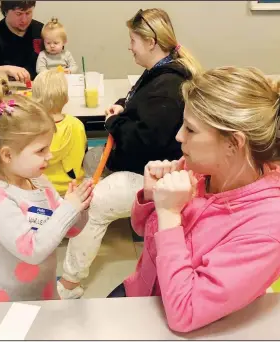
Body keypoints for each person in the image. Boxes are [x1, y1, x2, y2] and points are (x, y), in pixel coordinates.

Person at [107, 66, 280, 333]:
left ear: (233, 144)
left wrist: (169, 215)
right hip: (141, 296)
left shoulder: (269, 225)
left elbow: (184, 313)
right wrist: (150, 198)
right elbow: (141, 230)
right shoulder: (198, 170)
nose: (179, 136)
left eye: (190, 129)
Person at [57, 8, 202, 299]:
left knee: (92, 204)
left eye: (133, 40)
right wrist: (123, 106)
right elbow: (139, 101)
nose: (130, 47)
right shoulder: (159, 72)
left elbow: (141, 141)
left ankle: (70, 284)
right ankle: (75, 228)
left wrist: (113, 121)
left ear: (150, 42)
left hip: (155, 175)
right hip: (143, 164)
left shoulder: (168, 85)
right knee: (88, 162)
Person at [0, 75, 93, 303]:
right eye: (41, 151)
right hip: (4, 300)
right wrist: (68, 208)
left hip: (43, 292)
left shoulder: (37, 180)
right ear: (7, 155)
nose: (49, 156)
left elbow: (70, 230)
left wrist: (81, 207)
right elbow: (32, 250)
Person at [32, 69, 86, 195]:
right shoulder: (76, 125)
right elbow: (78, 159)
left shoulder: (31, 127)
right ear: (66, 98)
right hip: (71, 187)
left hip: (39, 187)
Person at [0, 1, 43, 82]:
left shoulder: (41, 31)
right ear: (6, 12)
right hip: (8, 90)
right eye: (18, 14)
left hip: (39, 89)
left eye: (28, 13)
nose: (24, 20)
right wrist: (6, 70)